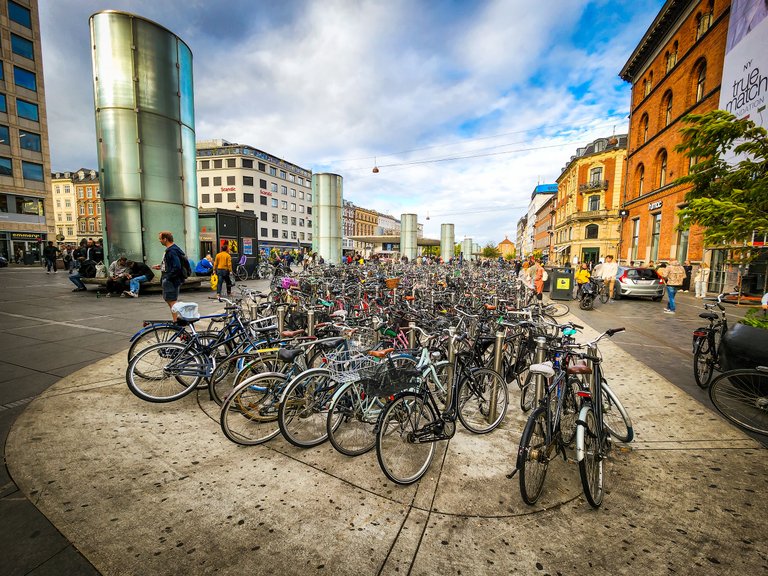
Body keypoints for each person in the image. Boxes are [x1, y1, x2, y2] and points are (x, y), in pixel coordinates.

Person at [153, 231, 186, 321]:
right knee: (170, 300)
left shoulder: (172, 250)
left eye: (160, 239)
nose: (159, 241)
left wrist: (168, 277)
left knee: (172, 301)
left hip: (171, 279)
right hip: (170, 278)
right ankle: (177, 319)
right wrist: (161, 267)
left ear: (165, 239)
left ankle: (177, 320)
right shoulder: (172, 249)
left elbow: (177, 266)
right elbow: (172, 264)